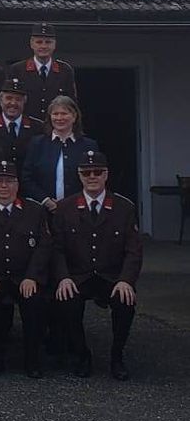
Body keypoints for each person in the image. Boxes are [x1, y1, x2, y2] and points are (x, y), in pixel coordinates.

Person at [52, 151, 143, 380]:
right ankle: (82, 355)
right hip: (79, 276)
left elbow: (133, 251)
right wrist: (63, 277)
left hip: (110, 276)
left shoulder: (124, 207)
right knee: (65, 300)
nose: (92, 176)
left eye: (97, 172)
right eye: (86, 173)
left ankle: (117, 356)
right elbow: (57, 249)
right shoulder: (65, 207)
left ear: (106, 175)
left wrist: (125, 280)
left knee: (125, 300)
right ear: (79, 176)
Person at [0, 160, 52, 378]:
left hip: (23, 277)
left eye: (9, 181)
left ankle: (32, 359)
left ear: (17, 184)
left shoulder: (34, 211)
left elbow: (43, 247)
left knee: (35, 303)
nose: (4, 186)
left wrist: (32, 276)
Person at [21, 95, 98, 211]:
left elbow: (94, 179)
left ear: (74, 116)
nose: (59, 118)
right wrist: (46, 201)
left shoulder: (88, 145)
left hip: (78, 211)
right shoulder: (37, 143)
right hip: (43, 210)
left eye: (64, 113)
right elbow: (27, 179)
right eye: (55, 114)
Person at [8, 22, 77, 121]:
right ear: (31, 43)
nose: (44, 46)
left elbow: (71, 104)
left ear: (54, 44)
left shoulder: (65, 70)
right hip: (27, 127)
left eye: (48, 42)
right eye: (39, 42)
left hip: (56, 125)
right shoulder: (17, 69)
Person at [0, 78, 40, 176]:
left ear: (25, 101)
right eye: (9, 98)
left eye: (18, 99)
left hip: (28, 186)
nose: (13, 103)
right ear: (0, 99)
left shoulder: (37, 128)